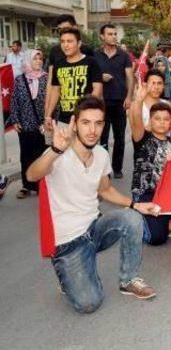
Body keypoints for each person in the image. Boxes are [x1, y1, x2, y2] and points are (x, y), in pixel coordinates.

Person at [26, 96, 159, 313]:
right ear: (75, 124)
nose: (92, 130)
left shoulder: (101, 154)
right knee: (89, 303)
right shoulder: (60, 153)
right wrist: (55, 150)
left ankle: (128, 280)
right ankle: (66, 275)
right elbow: (32, 175)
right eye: (86, 122)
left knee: (131, 218)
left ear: (103, 125)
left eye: (98, 123)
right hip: (68, 241)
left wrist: (135, 205)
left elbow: (105, 189)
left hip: (94, 229)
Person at [130, 75, 171, 245]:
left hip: (164, 192)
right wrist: (138, 100)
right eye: (157, 119)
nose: (162, 123)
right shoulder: (143, 138)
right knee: (157, 238)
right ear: (150, 120)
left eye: (166, 119)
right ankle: (134, 218)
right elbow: (135, 122)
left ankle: (165, 217)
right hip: (146, 193)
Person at [44, 28, 103, 131]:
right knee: (65, 147)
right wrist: (48, 115)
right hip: (64, 119)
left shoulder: (92, 62)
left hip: (86, 119)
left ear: (79, 43)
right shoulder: (58, 64)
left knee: (86, 147)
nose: (65, 45)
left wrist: (84, 111)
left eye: (69, 41)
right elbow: (55, 91)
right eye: (62, 41)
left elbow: (97, 89)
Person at [96, 24, 134, 180]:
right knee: (102, 138)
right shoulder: (95, 55)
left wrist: (129, 97)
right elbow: (90, 76)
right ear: (102, 36)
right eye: (109, 34)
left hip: (119, 102)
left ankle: (117, 168)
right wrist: (100, 77)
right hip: (101, 102)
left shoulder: (123, 55)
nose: (113, 36)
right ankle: (104, 170)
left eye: (114, 34)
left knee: (119, 138)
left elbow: (130, 78)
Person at [8, 49, 47, 198]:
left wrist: (51, 120)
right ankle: (26, 185)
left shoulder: (46, 78)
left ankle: (41, 185)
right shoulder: (19, 79)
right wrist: (15, 120)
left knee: (42, 155)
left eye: (40, 59)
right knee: (26, 155)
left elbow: (53, 101)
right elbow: (14, 101)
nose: (38, 61)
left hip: (42, 125)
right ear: (28, 61)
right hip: (25, 124)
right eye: (35, 59)